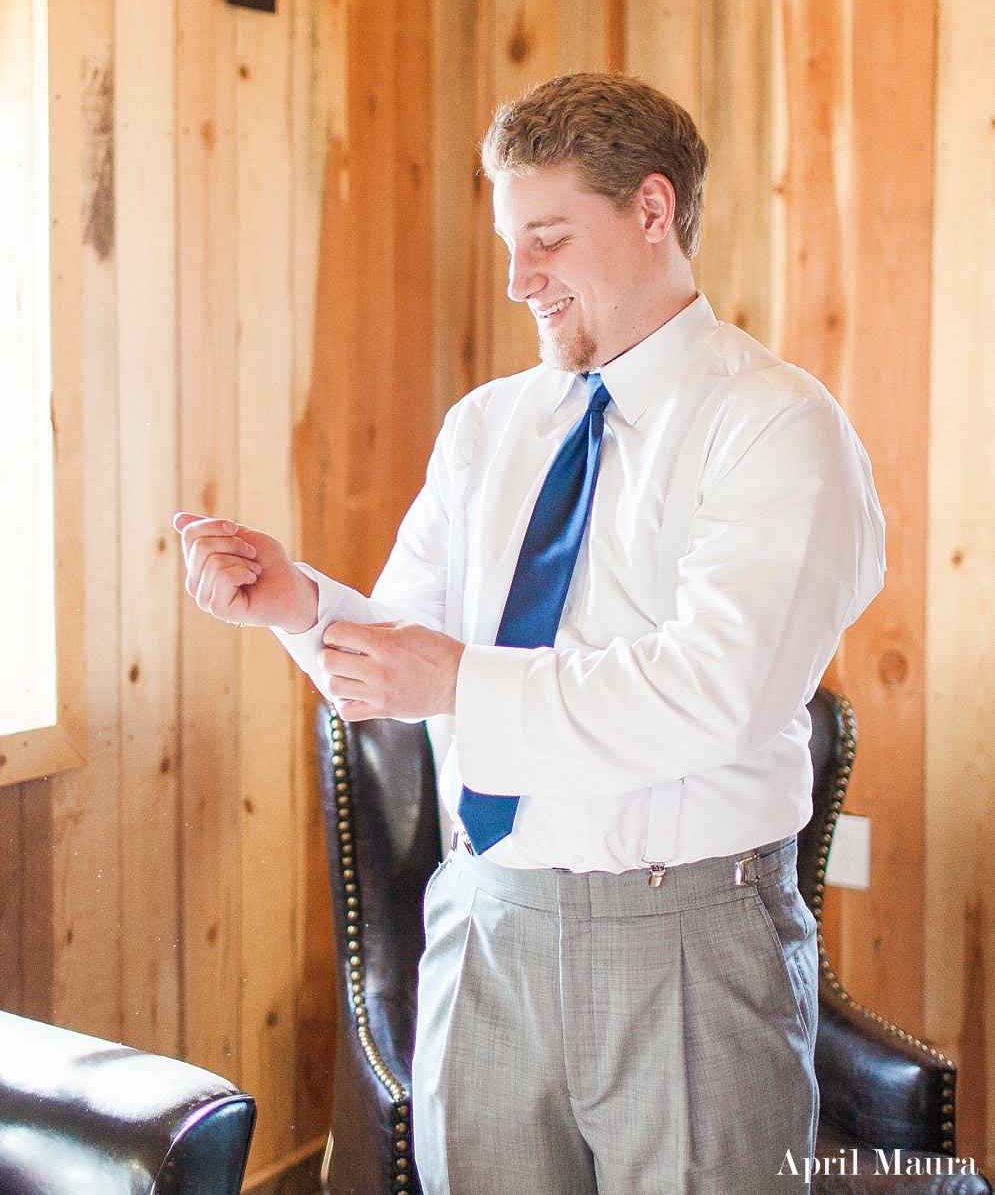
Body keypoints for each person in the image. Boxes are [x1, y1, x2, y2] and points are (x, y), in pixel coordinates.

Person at [175, 73, 885, 1195]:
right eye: (509, 241)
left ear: (651, 211)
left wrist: (456, 678)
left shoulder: (776, 428)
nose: (517, 279)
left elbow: (714, 693)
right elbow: (408, 663)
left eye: (546, 237)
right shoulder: (484, 430)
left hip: (687, 945)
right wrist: (303, 608)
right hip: (487, 923)